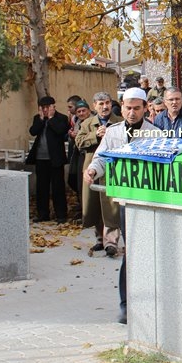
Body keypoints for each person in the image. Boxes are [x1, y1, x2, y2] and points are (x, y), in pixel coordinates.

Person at [84, 87, 162, 324]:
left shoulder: (157, 133)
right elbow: (101, 156)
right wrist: (93, 170)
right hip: (125, 200)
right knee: (132, 252)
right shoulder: (113, 132)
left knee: (145, 251)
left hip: (148, 201)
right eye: (127, 107)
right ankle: (126, 306)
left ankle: (152, 302)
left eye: (137, 108)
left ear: (145, 108)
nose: (131, 112)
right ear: (122, 106)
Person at [75, 92, 123, 256]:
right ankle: (99, 240)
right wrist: (95, 135)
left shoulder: (120, 122)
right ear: (94, 106)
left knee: (111, 207)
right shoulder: (88, 123)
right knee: (93, 206)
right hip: (92, 169)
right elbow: (79, 142)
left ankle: (111, 243)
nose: (105, 107)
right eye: (101, 104)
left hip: (112, 170)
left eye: (108, 103)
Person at [26, 96, 70, 223]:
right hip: (41, 158)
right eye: (42, 108)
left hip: (55, 158)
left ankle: (61, 214)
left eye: (47, 107)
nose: (45, 110)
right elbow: (33, 132)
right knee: (42, 187)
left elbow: (61, 131)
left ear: (52, 107)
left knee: (58, 187)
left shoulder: (61, 118)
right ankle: (43, 214)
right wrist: (40, 119)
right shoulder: (37, 118)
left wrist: (50, 119)